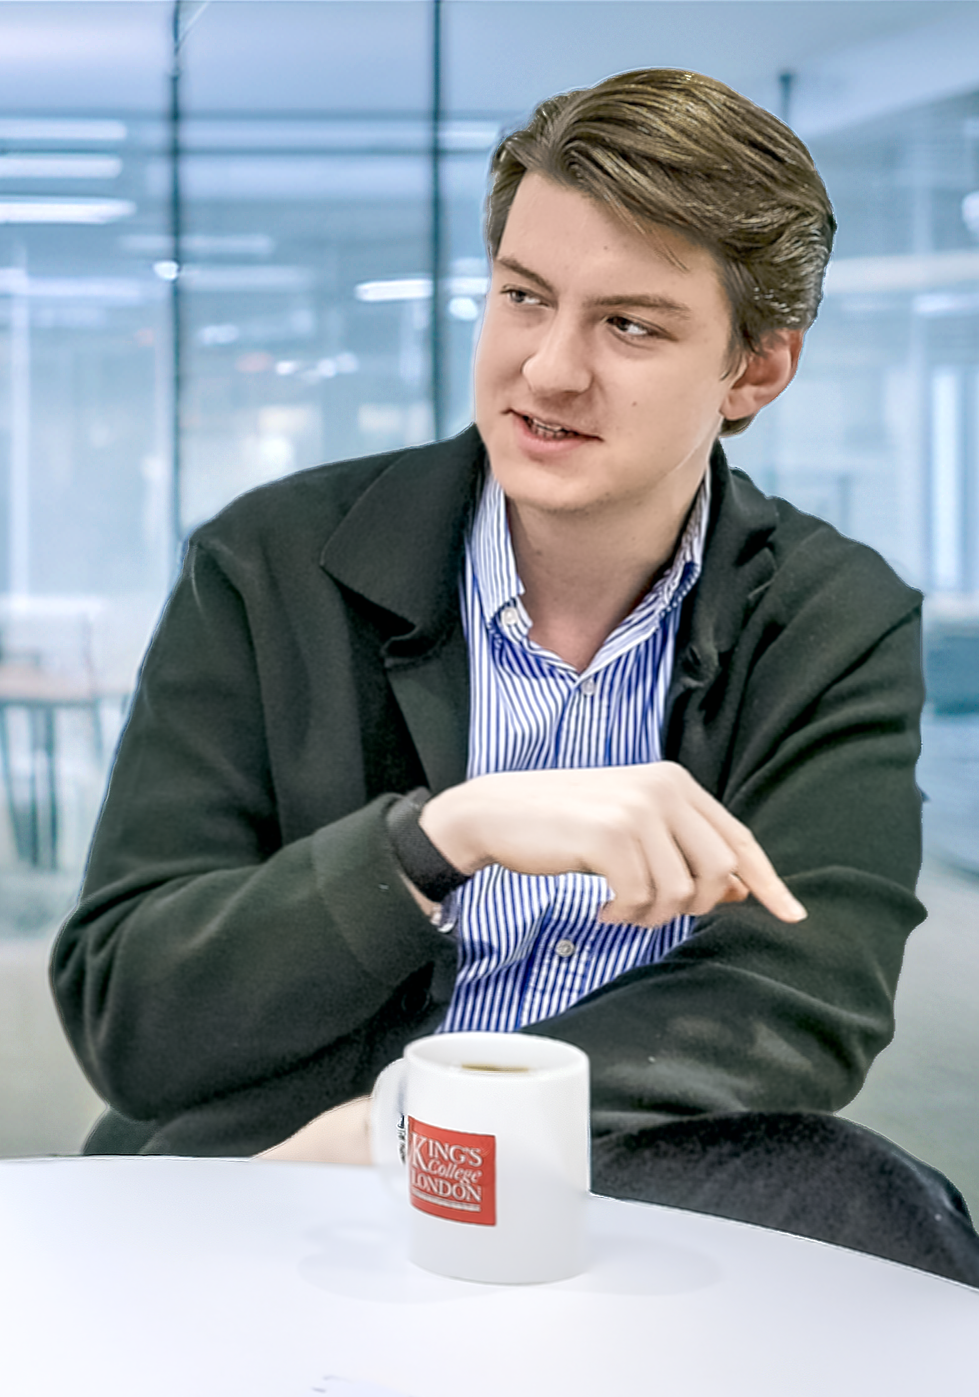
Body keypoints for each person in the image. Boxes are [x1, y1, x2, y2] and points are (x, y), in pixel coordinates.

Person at [53, 67, 979, 1285]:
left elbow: (798, 1003)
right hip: (280, 1160)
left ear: (753, 372)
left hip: (617, 1165)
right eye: (522, 298)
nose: (546, 370)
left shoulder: (828, 612)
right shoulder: (268, 563)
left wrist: (420, 1125)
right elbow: (133, 1010)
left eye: (629, 325)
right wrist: (441, 835)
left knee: (892, 1221)